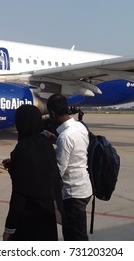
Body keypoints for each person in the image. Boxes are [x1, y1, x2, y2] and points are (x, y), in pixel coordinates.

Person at [2, 104, 64, 241]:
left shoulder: (22, 148)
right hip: (47, 216)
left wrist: (9, 228)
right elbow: (39, 170)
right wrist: (15, 164)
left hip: (29, 219)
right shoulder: (46, 144)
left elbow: (19, 194)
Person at [46, 94, 92, 241]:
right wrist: (57, 141)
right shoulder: (80, 127)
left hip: (73, 193)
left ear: (52, 114)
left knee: (75, 237)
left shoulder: (65, 137)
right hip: (84, 187)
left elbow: (60, 169)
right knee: (77, 233)